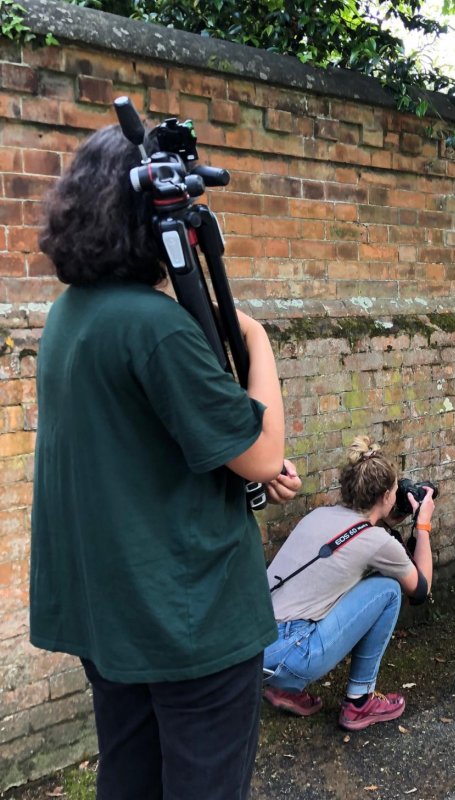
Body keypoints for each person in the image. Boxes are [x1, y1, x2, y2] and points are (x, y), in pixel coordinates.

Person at [30, 124, 301, 800]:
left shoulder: (72, 314)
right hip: (191, 621)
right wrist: (256, 337)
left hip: (115, 617)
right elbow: (262, 449)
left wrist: (248, 472)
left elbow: (144, 450)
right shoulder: (155, 327)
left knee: (131, 780)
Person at [262, 435, 435, 730]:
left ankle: (281, 687)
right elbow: (420, 590)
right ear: (384, 497)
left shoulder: (320, 515)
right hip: (291, 655)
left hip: (254, 648)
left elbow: (360, 534)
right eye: (394, 490)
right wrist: (423, 525)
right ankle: (359, 701)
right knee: (389, 590)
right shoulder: (378, 541)